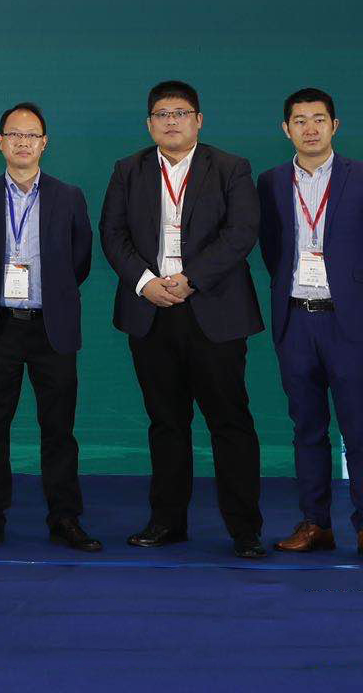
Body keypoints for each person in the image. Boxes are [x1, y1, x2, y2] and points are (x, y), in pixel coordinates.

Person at [99, 80, 267, 559]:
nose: (171, 121)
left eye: (180, 113)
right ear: (149, 123)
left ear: (199, 120)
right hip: (151, 310)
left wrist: (191, 279)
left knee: (230, 422)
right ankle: (167, 522)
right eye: (161, 114)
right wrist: (144, 282)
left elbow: (241, 232)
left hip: (214, 310)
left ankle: (245, 530)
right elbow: (112, 233)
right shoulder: (127, 169)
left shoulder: (231, 167)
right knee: (166, 423)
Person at [257, 88, 363, 565]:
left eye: (319, 119)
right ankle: (315, 523)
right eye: (299, 120)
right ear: (286, 129)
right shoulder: (271, 182)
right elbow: (272, 249)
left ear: (335, 125)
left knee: (359, 430)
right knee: (307, 429)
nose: (310, 128)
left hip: (348, 323)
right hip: (295, 320)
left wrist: (357, 297)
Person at [0, 102, 101, 552]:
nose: (23, 142)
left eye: (31, 135)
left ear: (44, 143)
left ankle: (65, 519)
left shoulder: (69, 196)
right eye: (14, 134)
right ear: (0, 142)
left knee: (59, 431)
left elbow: (79, 261)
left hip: (51, 328)